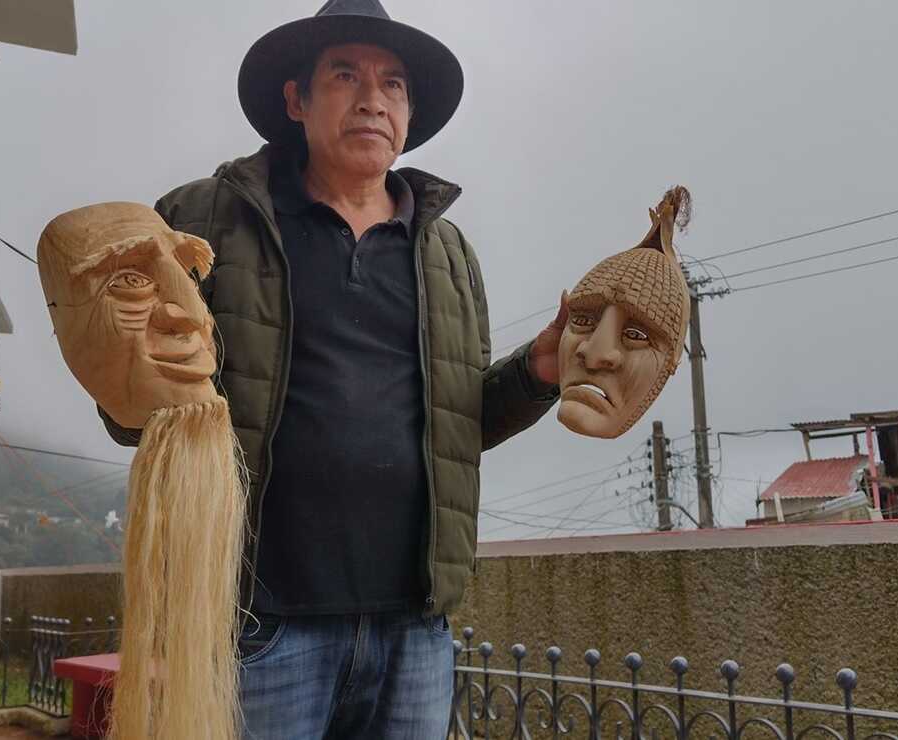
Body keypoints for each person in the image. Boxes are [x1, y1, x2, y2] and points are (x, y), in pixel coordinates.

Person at [99, 0, 565, 737]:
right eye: (345, 74)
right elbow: (136, 414)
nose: (372, 98)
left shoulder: (446, 254)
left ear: (408, 114)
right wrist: (126, 353)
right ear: (296, 99)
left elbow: (458, 425)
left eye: (393, 83)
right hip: (262, 622)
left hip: (415, 629)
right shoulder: (203, 223)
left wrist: (541, 368)